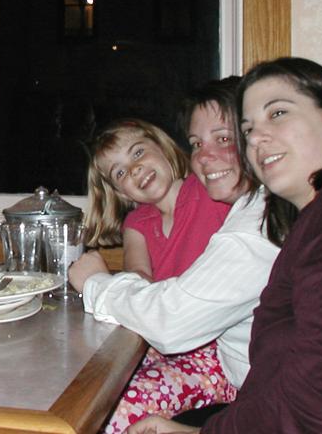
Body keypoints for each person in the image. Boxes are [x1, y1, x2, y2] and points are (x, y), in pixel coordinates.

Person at [128, 57, 322, 434]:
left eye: (278, 113)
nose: (258, 138)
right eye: (248, 130)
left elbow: (319, 408)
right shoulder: (314, 217)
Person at [69, 79, 281, 432]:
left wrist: (97, 283)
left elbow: (177, 317)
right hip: (181, 340)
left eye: (138, 153)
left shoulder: (213, 194)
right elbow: (140, 277)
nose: (134, 169)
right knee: (86, 377)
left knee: (100, 408)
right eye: (119, 172)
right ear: (116, 190)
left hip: (214, 354)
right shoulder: (140, 220)